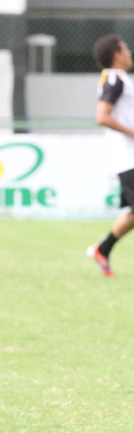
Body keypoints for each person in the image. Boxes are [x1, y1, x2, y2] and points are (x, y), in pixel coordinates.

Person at [88, 34, 134, 277]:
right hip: (129, 158)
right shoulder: (115, 80)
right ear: (116, 54)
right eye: (125, 48)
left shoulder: (119, 79)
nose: (129, 52)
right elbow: (102, 116)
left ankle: (102, 250)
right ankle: (102, 249)